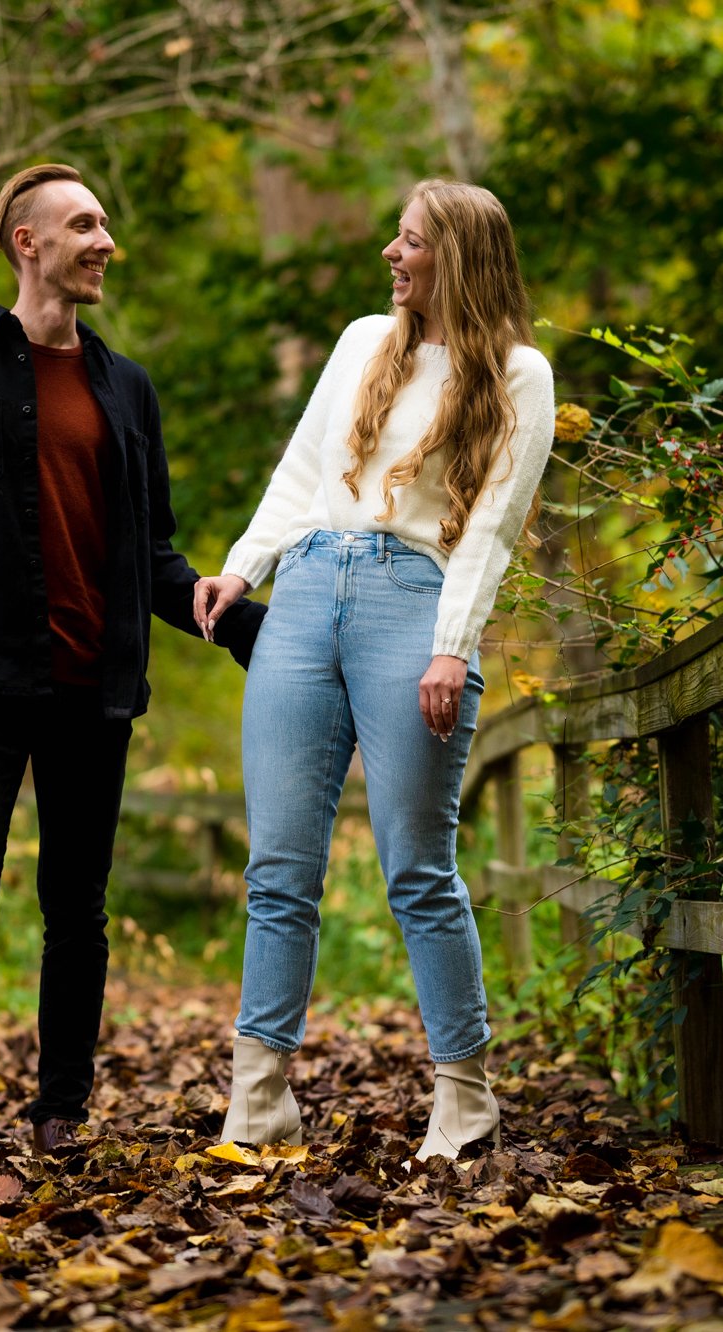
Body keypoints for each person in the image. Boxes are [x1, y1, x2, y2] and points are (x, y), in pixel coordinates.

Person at [0, 163, 266, 1182]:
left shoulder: (126, 388)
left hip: (96, 688)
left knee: (75, 910)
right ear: (24, 242)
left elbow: (151, 554)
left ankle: (60, 1113)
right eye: (84, 225)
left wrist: (229, 615)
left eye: (105, 226)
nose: (104, 243)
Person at [193, 179, 554, 1162]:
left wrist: (452, 643)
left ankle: (463, 1096)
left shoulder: (520, 375)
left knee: (416, 868)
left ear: (458, 259)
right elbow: (305, 469)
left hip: (412, 600)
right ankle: (258, 1099)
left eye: (408, 242)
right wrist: (242, 563)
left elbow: (491, 526)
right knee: (277, 867)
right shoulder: (362, 340)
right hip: (307, 593)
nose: (390, 256)